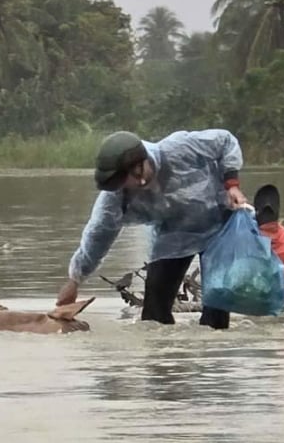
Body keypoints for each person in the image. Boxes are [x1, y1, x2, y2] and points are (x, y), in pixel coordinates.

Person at [56, 129, 248, 329]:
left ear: (143, 159)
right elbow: (97, 237)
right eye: (131, 184)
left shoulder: (180, 148)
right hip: (173, 236)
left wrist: (232, 185)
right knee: (154, 314)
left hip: (218, 227)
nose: (141, 182)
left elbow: (225, 141)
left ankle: (213, 354)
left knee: (216, 309)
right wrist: (75, 281)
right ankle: (162, 357)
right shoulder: (116, 199)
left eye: (140, 174)